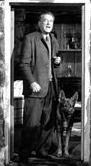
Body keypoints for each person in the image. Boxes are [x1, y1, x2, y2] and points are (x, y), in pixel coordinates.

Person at [18, 11, 61, 163]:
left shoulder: (54, 40)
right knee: (31, 123)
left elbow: (53, 63)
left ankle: (42, 151)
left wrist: (57, 62)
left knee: (48, 122)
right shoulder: (30, 39)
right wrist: (32, 82)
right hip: (35, 88)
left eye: (51, 21)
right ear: (39, 23)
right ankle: (24, 154)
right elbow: (23, 64)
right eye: (45, 21)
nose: (48, 24)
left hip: (51, 87)